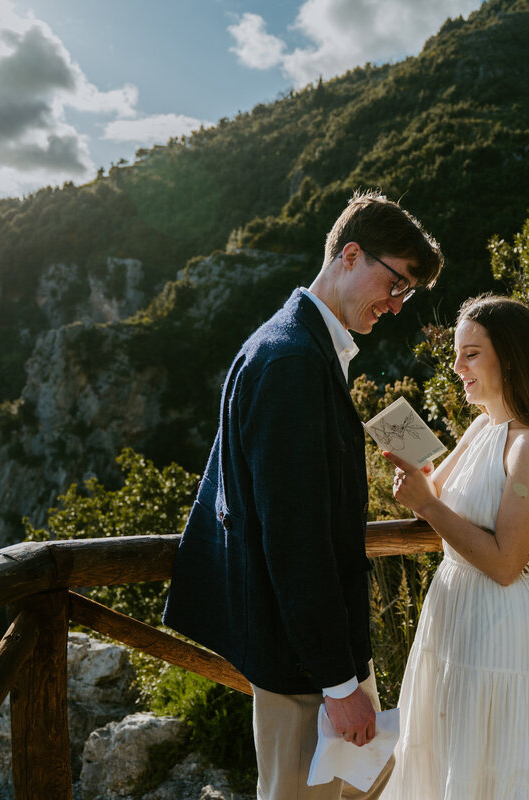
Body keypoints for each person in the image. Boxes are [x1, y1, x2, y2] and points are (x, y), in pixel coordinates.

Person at [162, 189, 443, 800]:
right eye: (396, 285)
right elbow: (295, 538)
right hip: (303, 668)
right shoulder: (291, 360)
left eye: (408, 295)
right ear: (350, 255)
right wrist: (340, 686)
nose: (396, 306)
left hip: (310, 655)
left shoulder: (300, 345)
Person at [380, 294, 529, 799]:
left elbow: (505, 561)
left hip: (500, 626)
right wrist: (415, 477)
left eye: (471, 353)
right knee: (444, 756)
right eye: (456, 353)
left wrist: (426, 505)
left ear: (509, 357)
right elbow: (435, 495)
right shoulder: (481, 427)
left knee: (491, 769)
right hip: (452, 614)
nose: (456, 366)